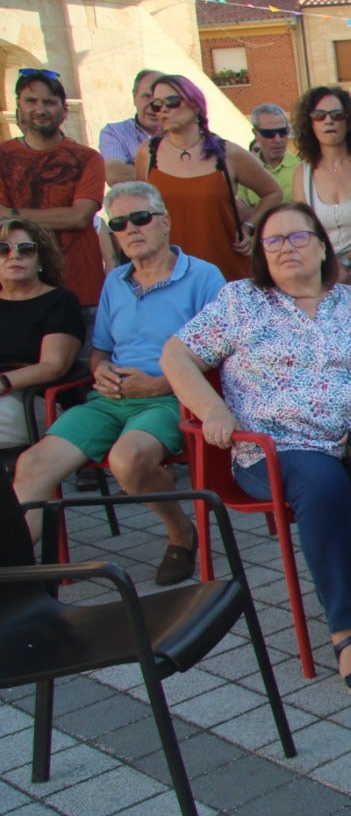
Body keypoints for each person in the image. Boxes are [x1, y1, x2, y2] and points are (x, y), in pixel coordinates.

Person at [162, 201, 351, 699]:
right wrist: (213, 411)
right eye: (273, 241)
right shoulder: (240, 301)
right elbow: (176, 355)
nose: (286, 248)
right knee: (322, 485)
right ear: (262, 253)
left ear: (322, 244)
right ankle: (347, 631)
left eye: (298, 237)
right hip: (279, 446)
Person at [11, 181, 220, 583]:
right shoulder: (115, 282)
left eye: (141, 218)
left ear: (165, 222)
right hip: (111, 398)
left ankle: (180, 533)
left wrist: (160, 385)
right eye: (120, 223)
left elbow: (221, 354)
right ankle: (14, 572)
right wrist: (99, 369)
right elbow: (101, 349)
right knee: (32, 463)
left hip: (173, 398)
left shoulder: (203, 277)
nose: (131, 229)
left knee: (127, 461)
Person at [135, 74, 281, 282]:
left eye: (172, 102)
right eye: (157, 105)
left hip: (224, 271)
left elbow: (273, 192)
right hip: (169, 273)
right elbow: (141, 210)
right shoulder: (147, 154)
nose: (164, 110)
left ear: (195, 105)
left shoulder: (228, 154)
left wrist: (249, 227)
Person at [0, 69, 107, 323]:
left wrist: (13, 215)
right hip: (16, 292)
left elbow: (80, 216)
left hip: (81, 289)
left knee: (85, 363)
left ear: (64, 109)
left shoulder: (88, 158)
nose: (41, 109)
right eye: (31, 101)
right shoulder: (3, 157)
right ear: (18, 107)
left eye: (49, 102)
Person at [0, 219, 84, 449]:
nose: (13, 256)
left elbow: (53, 366)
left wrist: (3, 383)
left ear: (41, 259)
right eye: (3, 249)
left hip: (36, 399)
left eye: (25, 249)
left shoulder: (60, 302)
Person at [291, 85, 351, 280]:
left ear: (349, 121)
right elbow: (302, 232)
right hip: (323, 275)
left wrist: (346, 263)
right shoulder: (303, 173)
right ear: (309, 123)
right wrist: (330, 268)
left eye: (337, 115)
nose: (328, 121)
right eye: (319, 115)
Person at [99, 69, 163, 186]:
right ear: (134, 96)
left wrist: (135, 167)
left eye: (159, 99)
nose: (154, 105)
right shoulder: (114, 132)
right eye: (147, 96)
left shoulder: (181, 132)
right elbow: (115, 175)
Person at [237, 104, 300, 210]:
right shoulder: (245, 171)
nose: (278, 139)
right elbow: (241, 212)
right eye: (269, 133)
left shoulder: (302, 167)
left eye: (283, 132)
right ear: (256, 133)